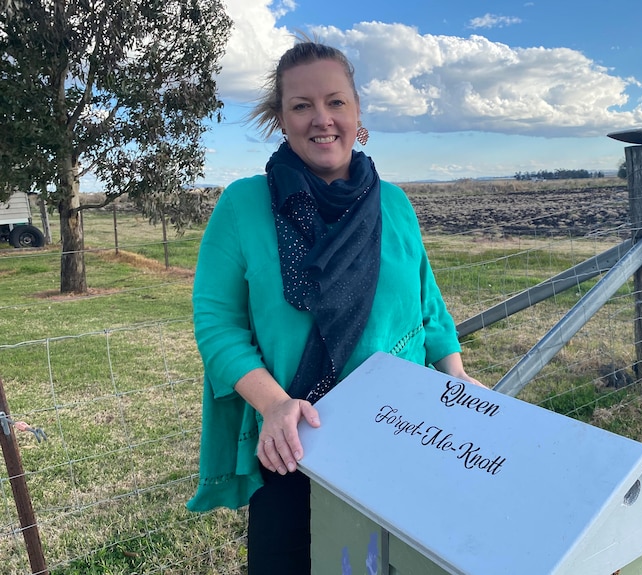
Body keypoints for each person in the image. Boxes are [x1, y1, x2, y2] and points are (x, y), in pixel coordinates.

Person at [187, 38, 481, 574]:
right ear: (281, 118)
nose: (321, 119)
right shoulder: (243, 205)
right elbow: (217, 324)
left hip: (401, 433)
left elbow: (427, 304)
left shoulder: (393, 203)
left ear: (357, 111)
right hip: (297, 440)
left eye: (335, 102)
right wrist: (274, 403)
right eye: (301, 106)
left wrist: (456, 378)